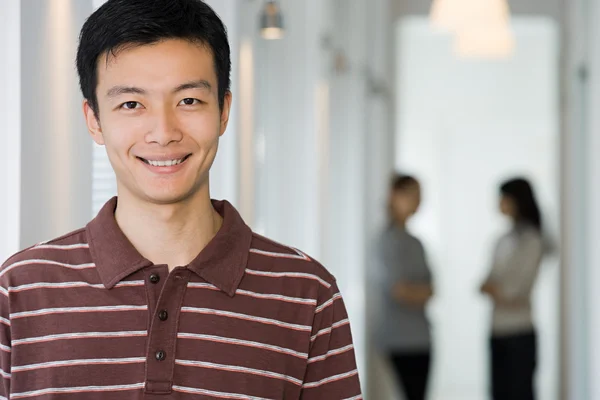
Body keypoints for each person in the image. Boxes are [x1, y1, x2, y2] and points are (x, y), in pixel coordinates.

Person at [0, 1, 362, 399]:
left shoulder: (307, 293)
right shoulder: (20, 290)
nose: (163, 131)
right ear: (94, 120)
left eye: (188, 101)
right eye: (132, 104)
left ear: (224, 110)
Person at [480, 177, 544, 400]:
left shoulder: (532, 240)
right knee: (499, 392)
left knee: (520, 392)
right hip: (497, 330)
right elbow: (486, 283)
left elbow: (516, 292)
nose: (499, 203)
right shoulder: (502, 240)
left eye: (503, 198)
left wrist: (497, 290)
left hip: (520, 332)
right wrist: (498, 290)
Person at [374, 174, 434, 400]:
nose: (418, 200)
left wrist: (415, 291)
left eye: (420, 195)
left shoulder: (416, 243)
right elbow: (399, 291)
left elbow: (430, 290)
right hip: (396, 340)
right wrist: (416, 291)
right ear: (394, 196)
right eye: (412, 194)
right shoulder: (386, 242)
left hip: (421, 338)